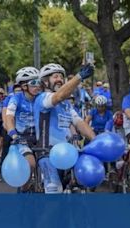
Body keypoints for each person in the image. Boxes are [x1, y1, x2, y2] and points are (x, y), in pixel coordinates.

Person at [34, 63, 95, 193]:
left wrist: (95, 140)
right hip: (47, 153)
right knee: (55, 193)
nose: (60, 80)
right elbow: (59, 95)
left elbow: (80, 123)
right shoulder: (43, 98)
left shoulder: (66, 104)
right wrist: (80, 77)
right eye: (55, 77)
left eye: (62, 77)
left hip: (69, 153)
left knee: (81, 185)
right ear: (45, 81)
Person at [6, 66, 41, 192]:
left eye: (39, 82)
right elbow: (9, 117)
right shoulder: (16, 99)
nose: (38, 86)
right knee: (30, 164)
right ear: (24, 86)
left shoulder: (41, 98)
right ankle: (24, 189)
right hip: (22, 138)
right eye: (34, 83)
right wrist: (13, 134)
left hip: (41, 138)